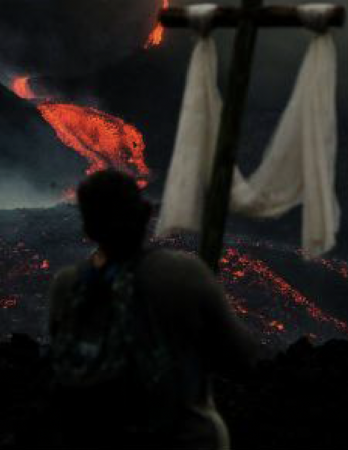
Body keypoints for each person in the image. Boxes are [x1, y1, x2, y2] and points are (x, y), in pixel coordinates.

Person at [47, 169, 258, 449]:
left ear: (87, 228)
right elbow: (243, 358)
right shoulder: (184, 273)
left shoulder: (67, 286)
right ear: (146, 214)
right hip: (183, 437)